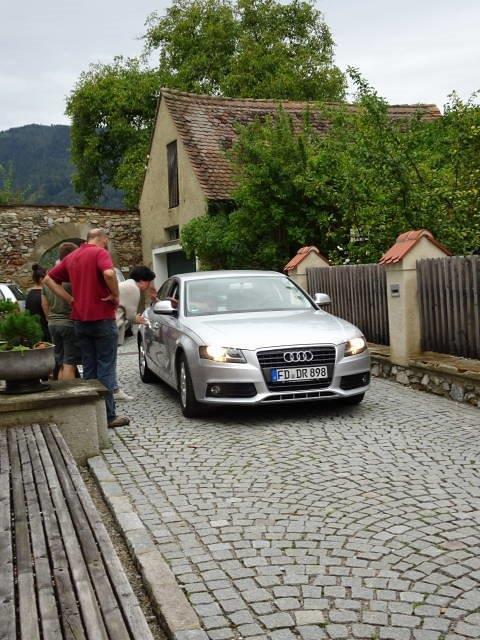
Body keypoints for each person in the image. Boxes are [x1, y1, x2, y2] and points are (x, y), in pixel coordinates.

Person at [44, 228, 129, 428]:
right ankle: (108, 416)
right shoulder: (100, 253)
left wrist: (70, 299)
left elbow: (48, 279)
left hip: (80, 321)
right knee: (106, 366)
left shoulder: (73, 256)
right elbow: (109, 273)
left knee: (89, 367)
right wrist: (115, 294)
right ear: (103, 239)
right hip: (102, 318)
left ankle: (92, 415)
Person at [114, 266, 156, 402]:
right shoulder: (133, 289)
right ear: (143, 281)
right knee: (109, 362)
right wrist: (142, 319)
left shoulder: (125, 284)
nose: (148, 286)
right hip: (112, 326)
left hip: (106, 325)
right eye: (149, 282)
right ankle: (114, 390)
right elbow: (131, 316)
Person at [41, 242, 81, 380]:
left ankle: (60, 389)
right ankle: (69, 392)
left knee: (60, 362)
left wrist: (49, 319)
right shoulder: (69, 278)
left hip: (53, 323)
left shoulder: (48, 279)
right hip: (68, 323)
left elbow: (44, 303)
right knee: (69, 363)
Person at [25, 264, 50, 341]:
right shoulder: (43, 294)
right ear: (41, 279)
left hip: (33, 329)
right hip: (44, 329)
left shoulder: (29, 293)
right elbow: (46, 309)